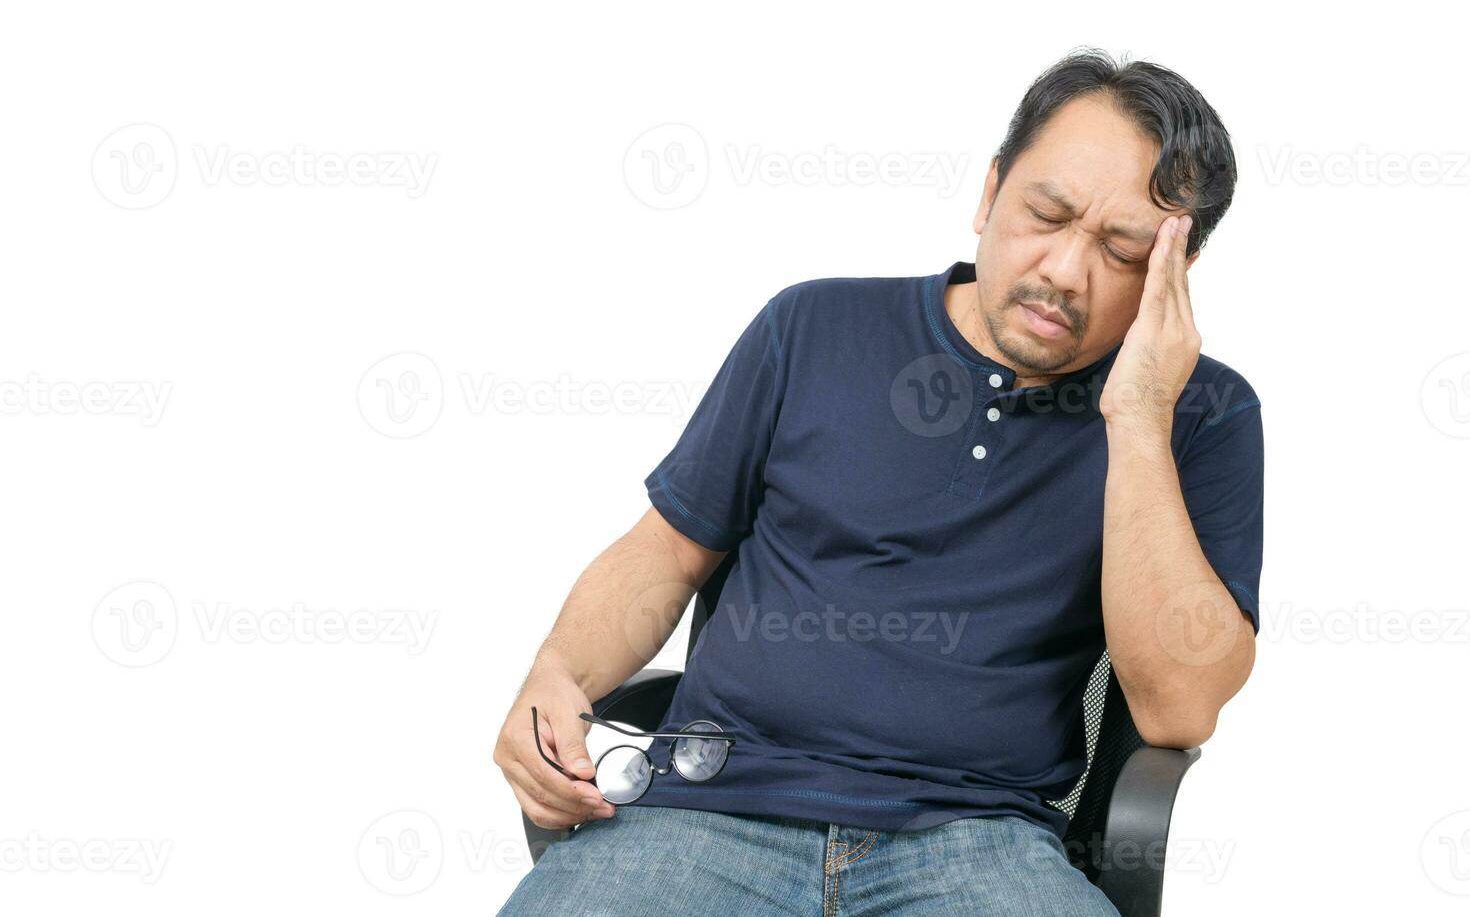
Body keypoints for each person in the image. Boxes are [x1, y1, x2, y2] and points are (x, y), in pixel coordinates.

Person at [493, 47, 1263, 916]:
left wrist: (1139, 418)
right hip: (706, 810)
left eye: (1122, 252)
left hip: (978, 844)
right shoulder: (814, 326)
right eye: (1045, 215)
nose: (1062, 272)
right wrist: (555, 672)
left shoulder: (1203, 415)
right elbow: (664, 553)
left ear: (1176, 273)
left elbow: (1178, 710)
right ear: (990, 190)